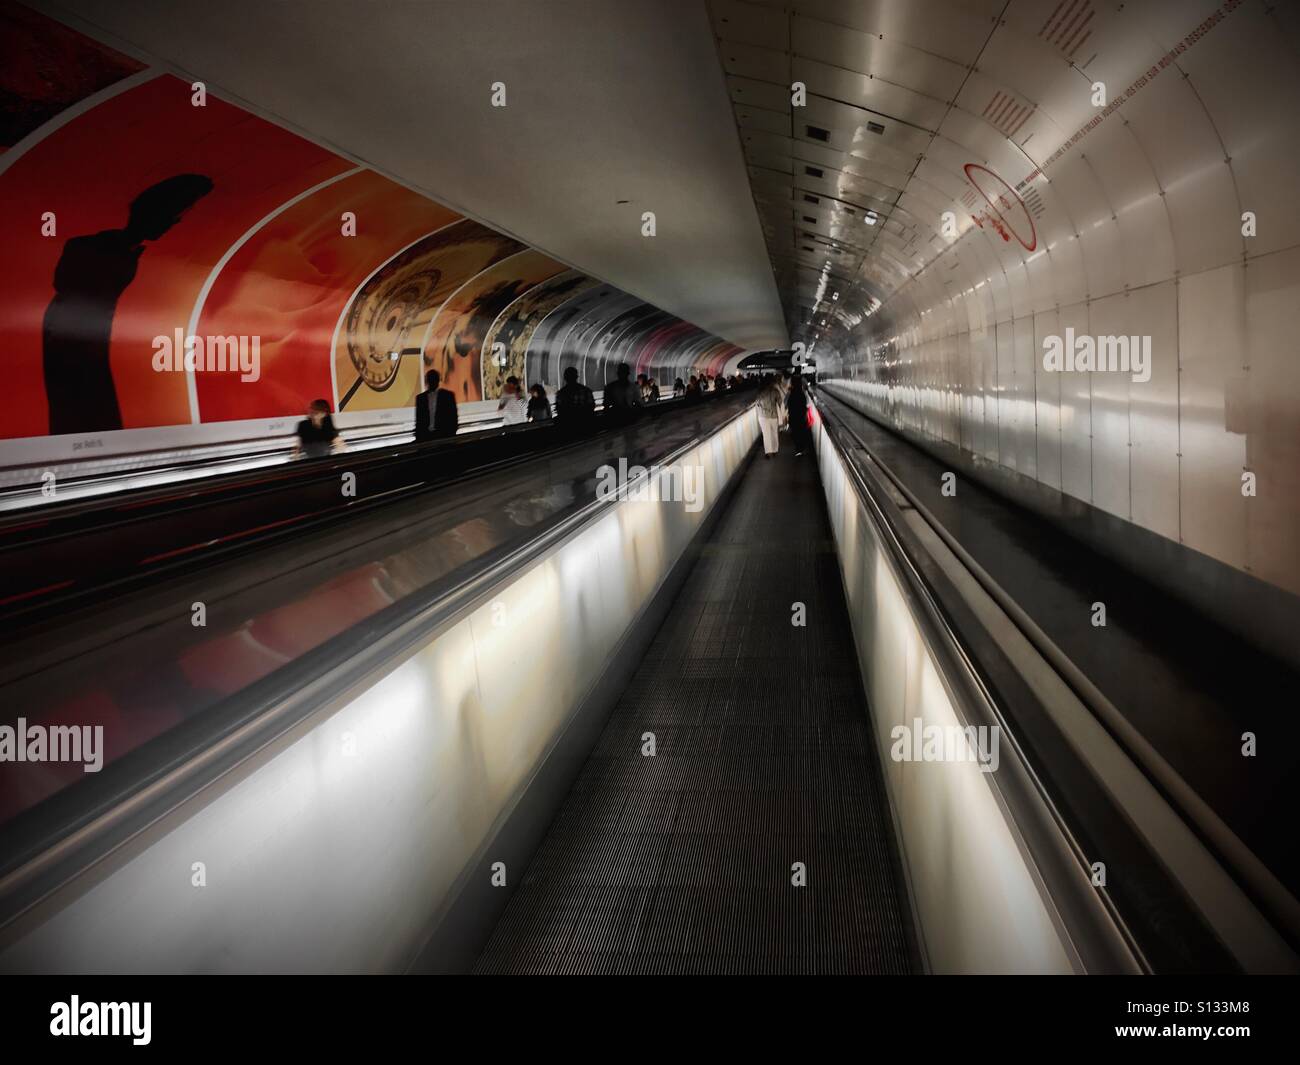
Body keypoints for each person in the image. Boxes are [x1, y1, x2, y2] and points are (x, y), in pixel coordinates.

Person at [43, 173, 214, 435]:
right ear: (154, 212)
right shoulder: (91, 246)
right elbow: (66, 283)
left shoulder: (124, 250)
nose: (174, 222)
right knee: (81, 399)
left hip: (88, 331)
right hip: (71, 331)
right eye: (173, 215)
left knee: (87, 400)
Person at [414, 368, 458, 440]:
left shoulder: (448, 396)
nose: (433, 382)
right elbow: (419, 421)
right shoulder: (420, 398)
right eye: (431, 379)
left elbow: (453, 418)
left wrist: (450, 435)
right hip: (426, 437)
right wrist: (419, 437)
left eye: (434, 379)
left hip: (444, 436)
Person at [555, 366, 596, 431]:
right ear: (576, 377)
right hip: (585, 425)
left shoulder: (561, 393)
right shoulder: (586, 391)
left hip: (567, 426)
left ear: (565, 378)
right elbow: (591, 406)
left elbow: (559, 410)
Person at [756, 375, 783, 459]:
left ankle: (768, 452)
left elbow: (757, 403)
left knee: (766, 434)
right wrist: (783, 415)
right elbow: (780, 403)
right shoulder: (775, 391)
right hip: (773, 415)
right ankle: (775, 450)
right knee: (774, 433)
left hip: (762, 416)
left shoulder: (759, 391)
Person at [786, 373, 811, 456]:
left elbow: (785, 404)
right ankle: (801, 447)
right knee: (801, 431)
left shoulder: (790, 394)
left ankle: (798, 448)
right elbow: (807, 404)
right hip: (801, 415)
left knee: (795, 431)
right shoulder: (802, 394)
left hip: (793, 416)